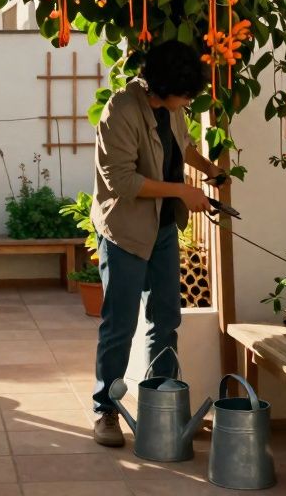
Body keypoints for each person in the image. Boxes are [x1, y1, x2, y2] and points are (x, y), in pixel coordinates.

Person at [89, 39, 225, 447]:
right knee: (120, 325)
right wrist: (183, 191)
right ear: (164, 87)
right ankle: (105, 410)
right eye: (185, 95)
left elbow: (182, 145)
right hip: (125, 231)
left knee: (166, 320)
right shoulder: (120, 111)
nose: (188, 102)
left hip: (163, 228)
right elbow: (122, 181)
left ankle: (162, 406)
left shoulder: (173, 107)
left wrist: (208, 168)